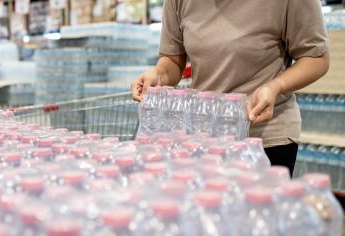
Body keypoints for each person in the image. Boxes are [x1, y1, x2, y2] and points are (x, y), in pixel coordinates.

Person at [132, 0, 330, 176]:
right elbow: (173, 61)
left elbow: (316, 57)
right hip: (203, 140)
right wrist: (159, 74)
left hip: (262, 140)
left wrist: (276, 86)